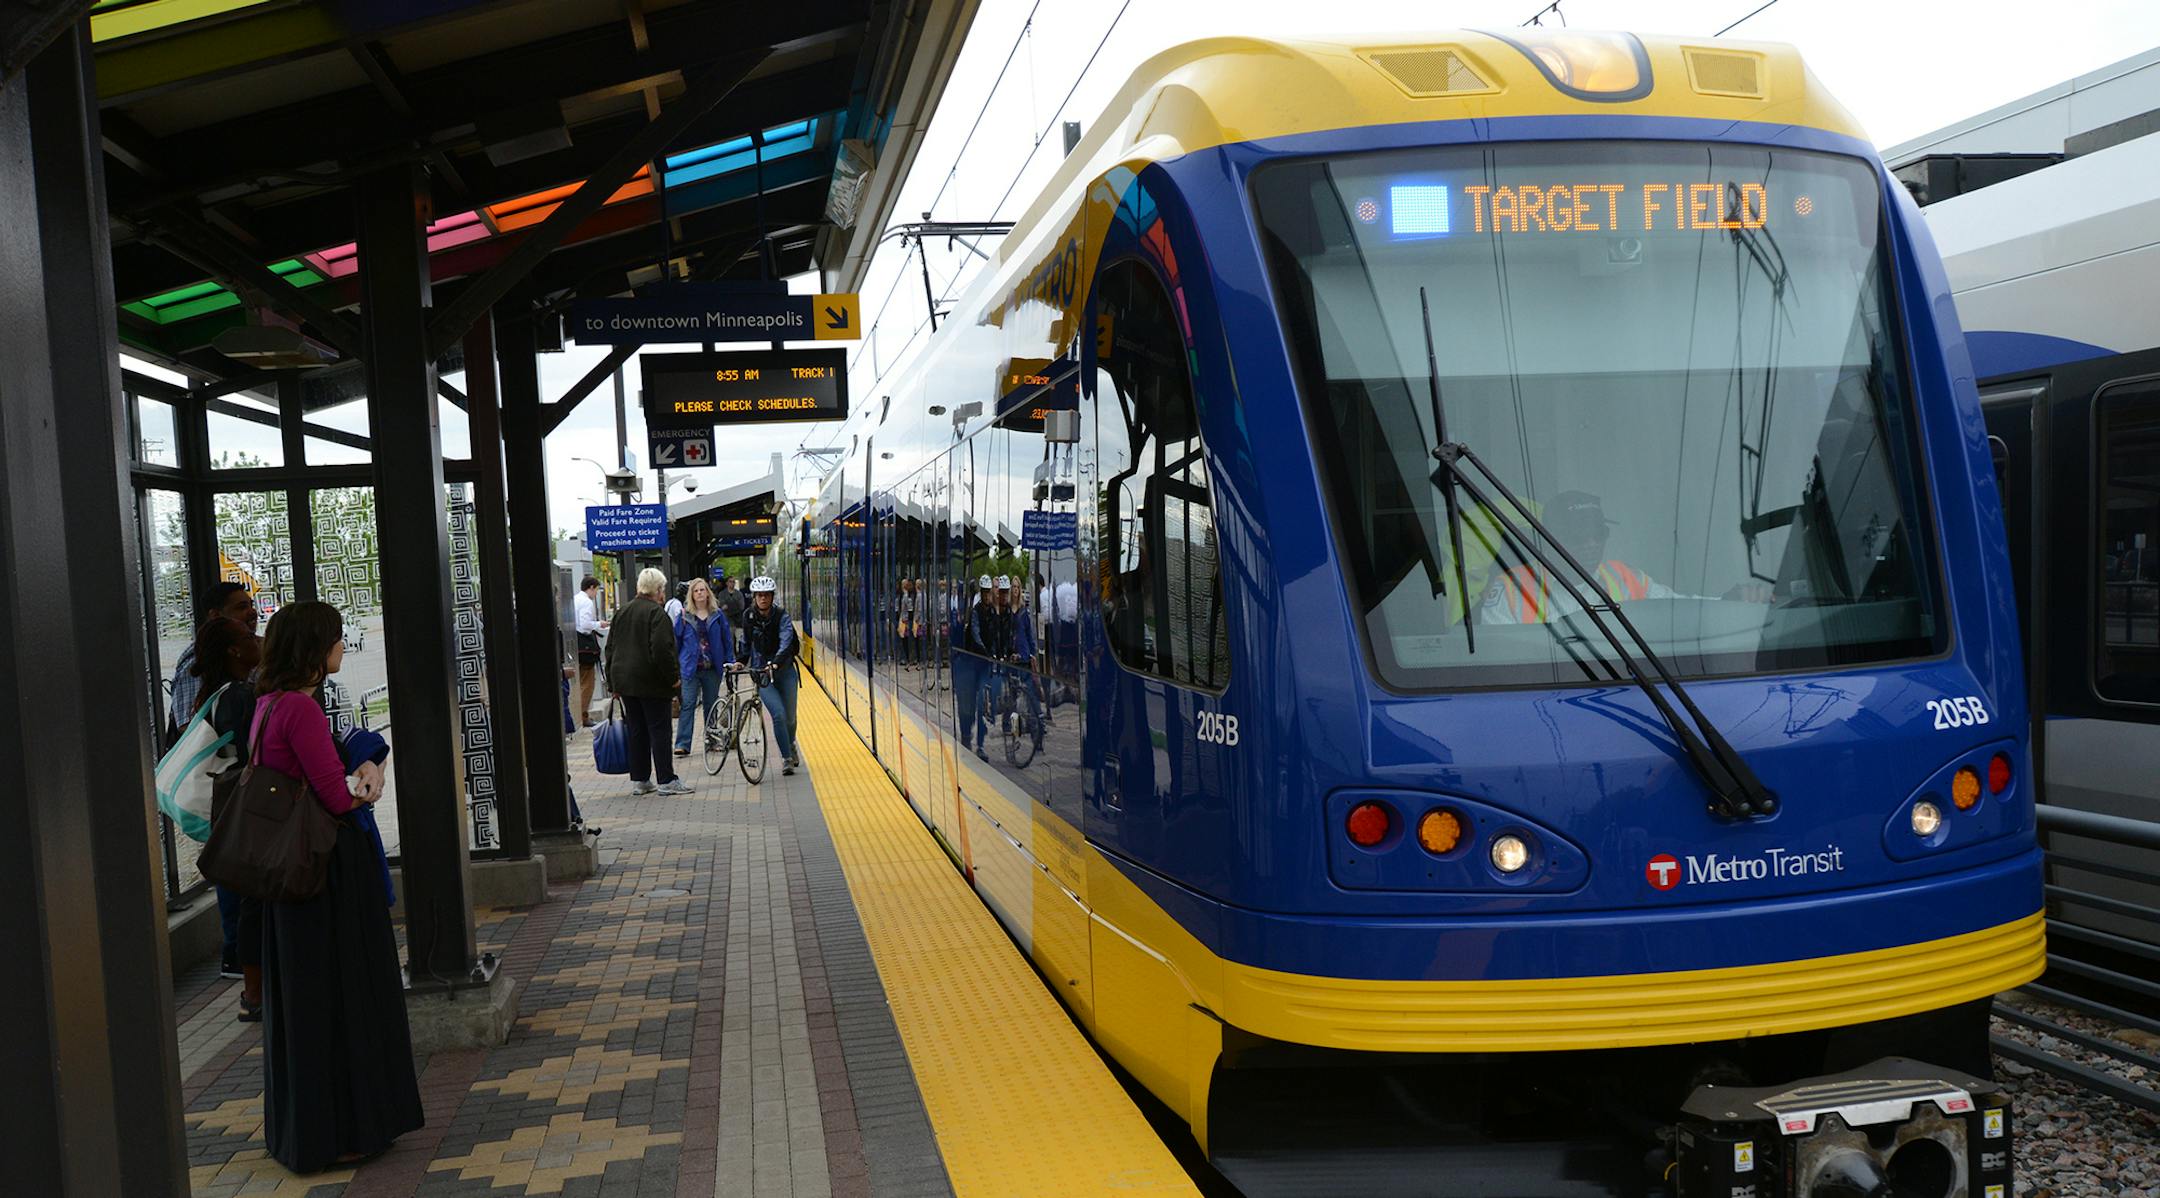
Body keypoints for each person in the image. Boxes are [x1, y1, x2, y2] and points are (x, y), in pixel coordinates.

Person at [250, 601, 420, 1172]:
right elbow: (336, 794)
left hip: (289, 882)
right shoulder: (298, 707)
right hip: (325, 880)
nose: (343, 647)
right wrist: (369, 783)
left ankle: (310, 1131)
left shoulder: (267, 705)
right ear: (314, 649)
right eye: (336, 639)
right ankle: (344, 1130)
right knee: (343, 999)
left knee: (305, 1007)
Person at [1476, 490, 1767, 624]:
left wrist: (1727, 602)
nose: (1591, 544)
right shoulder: (1511, 591)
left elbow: (1678, 609)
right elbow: (1502, 663)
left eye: (1599, 534)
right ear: (1550, 540)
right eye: (1578, 536)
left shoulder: (1627, 578)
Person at [191, 616, 263, 1008]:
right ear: (235, 651)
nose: (257, 640)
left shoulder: (212, 693)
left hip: (225, 805)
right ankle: (244, 966)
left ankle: (240, 961)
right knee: (249, 893)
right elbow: (255, 753)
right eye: (249, 637)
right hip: (243, 805)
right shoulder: (238, 695)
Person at [606, 568, 692, 795]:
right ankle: (666, 780)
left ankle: (641, 780)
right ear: (658, 589)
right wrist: (673, 678)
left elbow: (610, 648)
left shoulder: (622, 611)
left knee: (637, 730)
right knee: (660, 730)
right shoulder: (657, 614)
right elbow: (663, 650)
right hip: (652, 684)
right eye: (662, 588)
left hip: (625, 683)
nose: (663, 593)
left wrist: (613, 685)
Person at [168, 580, 258, 748]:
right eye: (241, 607)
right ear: (215, 615)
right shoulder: (198, 662)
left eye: (251, 605)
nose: (252, 612)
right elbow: (188, 727)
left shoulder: (245, 658)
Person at [740, 575, 802, 775]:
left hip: (784, 671)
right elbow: (746, 643)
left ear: (772, 596)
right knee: (778, 715)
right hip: (763, 675)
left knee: (790, 718)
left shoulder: (782, 616)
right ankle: (786, 758)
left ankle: (791, 743)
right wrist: (740, 661)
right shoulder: (748, 616)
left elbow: (786, 642)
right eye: (759, 595)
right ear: (755, 597)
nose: (763, 599)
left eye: (766, 595)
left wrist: (776, 663)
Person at [673, 578, 735, 757]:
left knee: (711, 705)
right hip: (690, 669)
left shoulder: (717, 615)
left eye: (702, 590)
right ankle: (683, 744)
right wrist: (675, 666)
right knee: (688, 705)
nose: (700, 593)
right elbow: (675, 642)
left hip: (712, 668)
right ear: (691, 595)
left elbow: (726, 640)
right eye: (696, 591)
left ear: (708, 592)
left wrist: (729, 661)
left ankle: (712, 740)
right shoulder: (684, 616)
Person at [573, 576, 608, 728]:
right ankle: (583, 716)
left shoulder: (575, 599)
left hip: (575, 646)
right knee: (588, 684)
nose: (596, 594)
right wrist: (599, 624)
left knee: (579, 683)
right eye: (596, 590)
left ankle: (578, 715)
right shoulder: (586, 602)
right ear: (592, 587)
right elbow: (585, 625)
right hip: (585, 648)